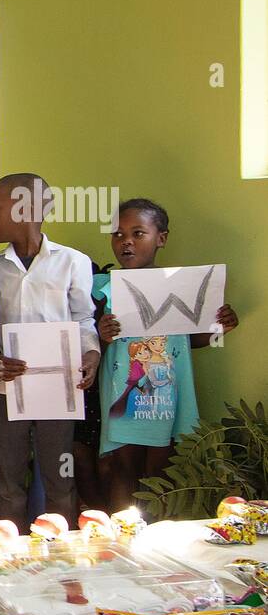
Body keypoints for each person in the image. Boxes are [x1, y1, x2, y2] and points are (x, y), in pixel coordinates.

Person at [94, 198, 239, 512]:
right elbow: (89, 345)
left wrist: (219, 328)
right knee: (124, 467)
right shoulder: (103, 289)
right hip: (125, 394)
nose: (126, 242)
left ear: (161, 238)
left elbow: (187, 342)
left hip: (167, 394)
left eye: (137, 233)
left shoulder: (182, 287)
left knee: (160, 473)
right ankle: (125, 539)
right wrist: (103, 336)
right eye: (118, 234)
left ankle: (158, 544)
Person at [0, 173, 100, 527]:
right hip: (7, 388)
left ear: (23, 209)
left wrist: (91, 355)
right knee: (8, 476)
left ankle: (60, 552)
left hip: (57, 388)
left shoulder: (72, 262)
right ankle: (9, 552)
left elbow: (83, 319)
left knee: (59, 477)